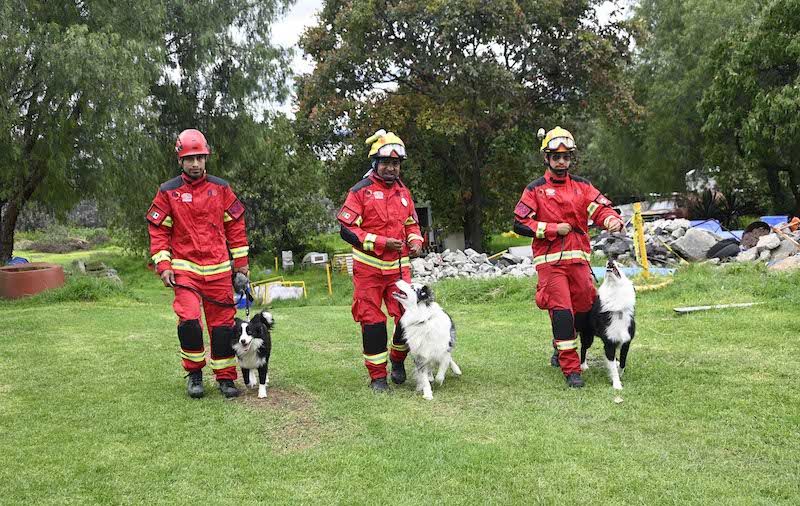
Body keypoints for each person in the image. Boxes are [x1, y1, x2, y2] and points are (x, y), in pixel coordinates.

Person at [513, 126, 624, 388]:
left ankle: (562, 346)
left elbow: (601, 208)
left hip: (579, 262)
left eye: (566, 157)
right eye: (556, 157)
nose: (561, 162)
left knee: (586, 312)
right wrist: (551, 229)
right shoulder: (535, 189)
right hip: (551, 264)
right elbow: (520, 223)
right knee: (562, 312)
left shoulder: (582, 186)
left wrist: (611, 220)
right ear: (546, 158)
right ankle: (571, 369)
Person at [147, 128, 250, 399]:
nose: (195, 164)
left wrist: (241, 267)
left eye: (200, 158)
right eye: (190, 159)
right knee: (190, 322)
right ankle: (194, 375)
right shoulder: (168, 192)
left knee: (223, 328)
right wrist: (164, 264)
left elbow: (236, 228)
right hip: (185, 271)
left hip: (218, 271)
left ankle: (226, 379)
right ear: (180, 160)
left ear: (206, 159)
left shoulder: (221, 188)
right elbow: (158, 232)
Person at [337, 130, 424, 392]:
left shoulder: (404, 193)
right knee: (373, 323)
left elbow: (412, 224)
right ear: (375, 163)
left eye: (395, 163)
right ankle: (377, 377)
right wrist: (380, 242)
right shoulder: (359, 191)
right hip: (369, 271)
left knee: (408, 318)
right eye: (385, 162)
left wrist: (416, 241)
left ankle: (398, 361)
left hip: (399, 270)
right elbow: (347, 230)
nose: (391, 168)